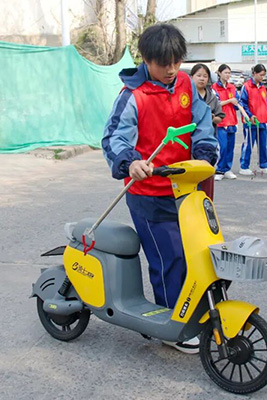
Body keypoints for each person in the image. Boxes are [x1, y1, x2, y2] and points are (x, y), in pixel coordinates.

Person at [102, 24, 218, 354]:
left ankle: (193, 312)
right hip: (149, 193)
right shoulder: (132, 95)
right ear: (146, 59)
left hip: (187, 188)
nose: (171, 70)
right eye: (163, 63)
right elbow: (113, 139)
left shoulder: (185, 83)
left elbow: (202, 122)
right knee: (170, 258)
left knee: (197, 253)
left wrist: (205, 152)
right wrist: (130, 163)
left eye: (177, 62)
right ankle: (172, 326)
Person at [190, 63, 225, 198]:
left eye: (205, 76)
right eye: (198, 75)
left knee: (205, 178)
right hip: (189, 142)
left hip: (208, 141)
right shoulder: (186, 96)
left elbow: (220, 117)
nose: (202, 79)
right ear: (191, 77)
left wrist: (210, 118)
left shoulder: (212, 97)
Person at [239, 64, 267, 175]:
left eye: (264, 75)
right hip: (251, 121)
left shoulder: (263, 88)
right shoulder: (246, 87)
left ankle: (263, 165)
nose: (262, 77)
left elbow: (266, 104)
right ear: (254, 74)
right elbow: (242, 103)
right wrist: (249, 115)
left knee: (263, 145)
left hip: (263, 121)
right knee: (248, 144)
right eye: (260, 75)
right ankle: (244, 166)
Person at [211, 64, 239, 181]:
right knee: (222, 147)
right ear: (219, 73)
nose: (228, 75)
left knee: (230, 147)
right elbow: (216, 103)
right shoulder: (214, 88)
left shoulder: (232, 87)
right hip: (221, 122)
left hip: (232, 121)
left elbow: (237, 102)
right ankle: (220, 169)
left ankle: (227, 169)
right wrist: (229, 101)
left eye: (229, 73)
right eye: (225, 73)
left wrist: (235, 102)